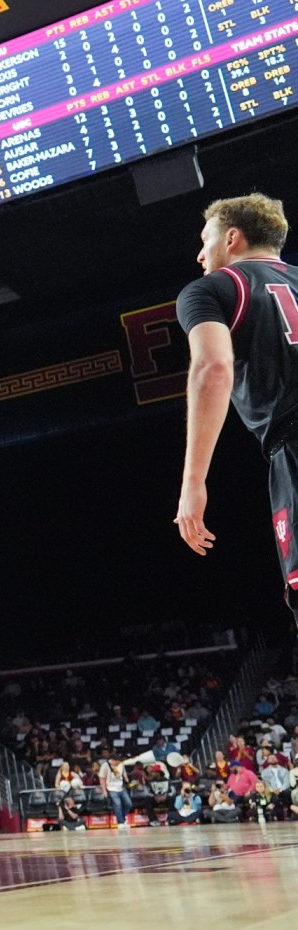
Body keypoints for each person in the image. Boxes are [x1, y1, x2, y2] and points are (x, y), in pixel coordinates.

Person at [173, 195, 298, 629]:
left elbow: (213, 367)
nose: (200, 254)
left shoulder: (211, 288)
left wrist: (193, 481)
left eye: (205, 240)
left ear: (231, 238)